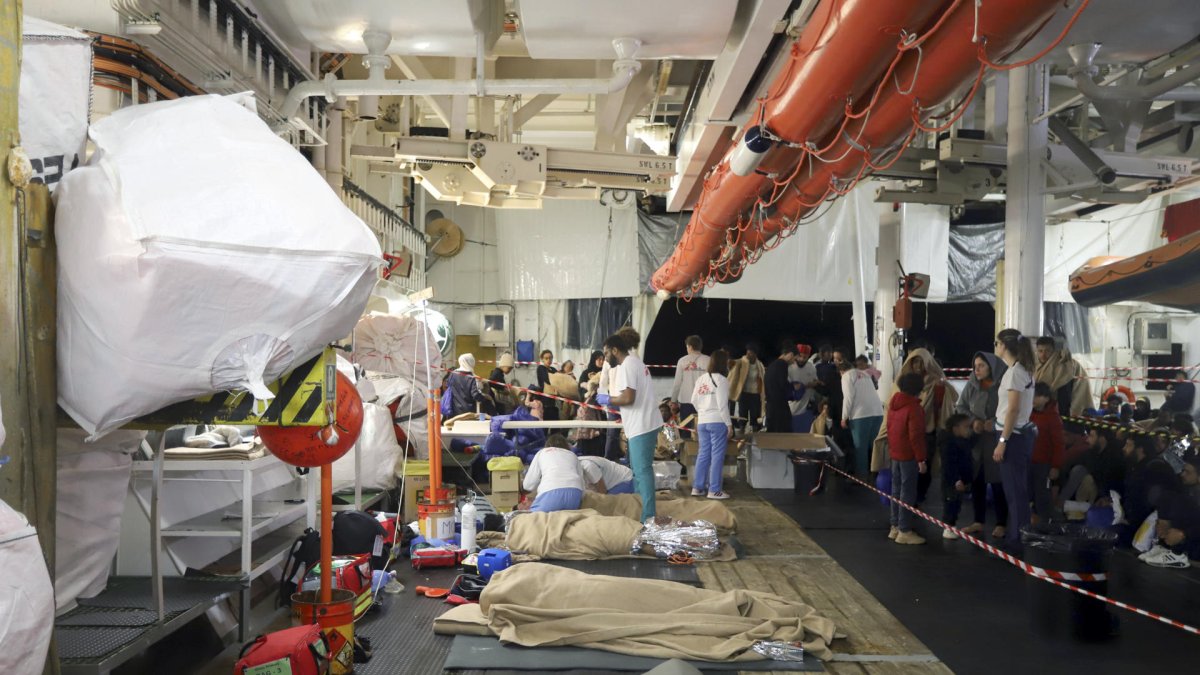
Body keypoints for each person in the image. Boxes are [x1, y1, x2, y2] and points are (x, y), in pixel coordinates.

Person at [604, 332, 661, 522]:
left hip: (642, 425)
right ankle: (641, 509)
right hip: (642, 422)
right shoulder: (635, 362)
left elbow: (628, 398)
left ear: (615, 350)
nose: (605, 358)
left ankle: (648, 517)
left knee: (642, 471)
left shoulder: (628, 365)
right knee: (638, 471)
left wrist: (610, 400)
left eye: (606, 354)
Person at [954, 351, 1008, 538]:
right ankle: (978, 521)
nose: (977, 370)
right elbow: (961, 406)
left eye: (981, 366)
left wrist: (993, 423)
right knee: (978, 480)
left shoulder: (1003, 384)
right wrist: (974, 421)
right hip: (976, 441)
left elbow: (1009, 410)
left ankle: (1002, 522)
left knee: (998, 481)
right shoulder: (972, 384)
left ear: (991, 367)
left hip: (996, 440)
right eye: (975, 366)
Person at [993, 329, 1037, 549]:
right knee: (1017, 489)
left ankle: (1018, 539)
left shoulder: (1015, 373)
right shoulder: (1021, 371)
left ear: (1004, 346)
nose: (995, 347)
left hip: (1013, 437)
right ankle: (1019, 535)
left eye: (996, 343)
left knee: (1015, 491)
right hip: (1018, 436)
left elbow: (1012, 410)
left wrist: (1002, 441)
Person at [887, 372, 928, 545]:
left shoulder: (894, 404)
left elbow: (889, 428)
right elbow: (916, 436)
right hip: (908, 455)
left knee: (896, 490)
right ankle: (904, 530)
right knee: (907, 492)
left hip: (895, 453)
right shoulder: (914, 408)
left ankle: (894, 526)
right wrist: (921, 459)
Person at [690, 349, 733, 499]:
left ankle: (697, 487)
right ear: (723, 363)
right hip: (717, 422)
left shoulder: (701, 379)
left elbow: (693, 400)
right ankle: (714, 490)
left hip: (702, 422)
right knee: (717, 456)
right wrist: (729, 424)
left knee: (703, 455)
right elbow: (722, 405)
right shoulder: (722, 380)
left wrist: (703, 411)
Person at [523, 434, 598, 512]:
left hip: (551, 493)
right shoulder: (573, 455)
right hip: (574, 494)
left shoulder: (542, 453)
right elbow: (582, 486)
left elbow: (528, 485)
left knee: (532, 518)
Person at [599, 326, 641, 462]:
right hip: (618, 400)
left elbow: (603, 382)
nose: (606, 357)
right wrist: (605, 399)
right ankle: (617, 461)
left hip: (622, 400)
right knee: (619, 434)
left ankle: (619, 462)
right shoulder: (633, 358)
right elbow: (603, 381)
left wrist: (607, 399)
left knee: (621, 434)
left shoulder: (631, 359)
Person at [841, 358, 884, 476]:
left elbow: (848, 397)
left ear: (841, 371)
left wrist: (844, 417)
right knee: (876, 446)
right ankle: (881, 473)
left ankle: (862, 476)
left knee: (860, 448)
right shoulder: (864, 374)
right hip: (878, 413)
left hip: (860, 416)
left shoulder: (846, 376)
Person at [1030, 382, 1065, 522]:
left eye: (1036, 396)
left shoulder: (1053, 418)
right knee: (1030, 494)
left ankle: (1046, 525)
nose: (1033, 399)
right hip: (1029, 462)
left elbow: (1059, 444)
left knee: (1042, 497)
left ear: (1046, 398)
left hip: (1044, 465)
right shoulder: (1028, 413)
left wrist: (1056, 466)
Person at [1034, 338, 1093, 417]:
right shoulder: (1035, 365)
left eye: (1047, 351)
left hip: (1063, 410)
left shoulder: (1064, 365)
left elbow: (1065, 396)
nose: (1043, 355)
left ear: (1053, 351)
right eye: (1040, 351)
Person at [939, 414, 975, 540]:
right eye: (966, 427)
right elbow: (949, 464)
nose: (969, 430)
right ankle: (948, 527)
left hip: (960, 480)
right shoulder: (949, 444)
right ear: (955, 428)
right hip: (952, 481)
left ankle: (951, 524)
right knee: (951, 503)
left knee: (956, 503)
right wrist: (956, 479)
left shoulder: (963, 441)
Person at [671, 336, 710, 439]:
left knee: (686, 431)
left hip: (686, 402)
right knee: (702, 431)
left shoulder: (682, 361)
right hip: (704, 402)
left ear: (690, 347)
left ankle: (686, 453)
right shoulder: (708, 360)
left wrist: (673, 400)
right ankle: (701, 453)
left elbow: (677, 383)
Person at [731, 343, 766, 432]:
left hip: (755, 394)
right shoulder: (742, 362)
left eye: (750, 353)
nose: (748, 355)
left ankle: (754, 435)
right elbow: (734, 365)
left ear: (755, 354)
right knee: (743, 414)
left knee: (755, 415)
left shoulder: (760, 365)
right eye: (747, 353)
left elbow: (763, 378)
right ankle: (742, 432)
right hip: (744, 393)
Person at [765, 342, 799, 433]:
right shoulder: (782, 364)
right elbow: (782, 385)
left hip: (771, 407)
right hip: (779, 408)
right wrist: (793, 387)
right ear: (791, 355)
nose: (793, 362)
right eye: (794, 359)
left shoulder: (772, 365)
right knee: (784, 436)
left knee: (772, 437)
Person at [788, 344, 819, 431]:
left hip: (806, 408)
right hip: (792, 407)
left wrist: (815, 383)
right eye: (800, 356)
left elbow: (815, 381)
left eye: (805, 357)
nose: (801, 359)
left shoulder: (811, 367)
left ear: (808, 356)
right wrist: (803, 386)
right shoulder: (789, 367)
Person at [535, 349, 561, 423]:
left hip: (554, 401)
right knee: (545, 424)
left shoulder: (553, 369)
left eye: (550, 358)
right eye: (546, 358)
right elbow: (547, 379)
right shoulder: (541, 368)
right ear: (542, 359)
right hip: (545, 401)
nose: (549, 360)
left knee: (555, 425)